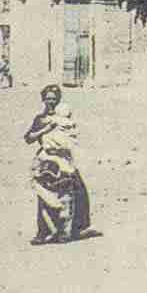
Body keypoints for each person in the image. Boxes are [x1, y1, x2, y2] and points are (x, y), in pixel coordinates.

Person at [24, 84, 91, 245]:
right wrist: (45, 129)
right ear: (43, 100)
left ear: (58, 100)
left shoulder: (66, 119)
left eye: (53, 99)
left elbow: (71, 140)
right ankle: (44, 232)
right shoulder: (40, 119)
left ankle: (65, 232)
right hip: (46, 160)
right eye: (48, 99)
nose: (50, 102)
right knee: (45, 197)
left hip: (63, 161)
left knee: (66, 196)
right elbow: (28, 138)